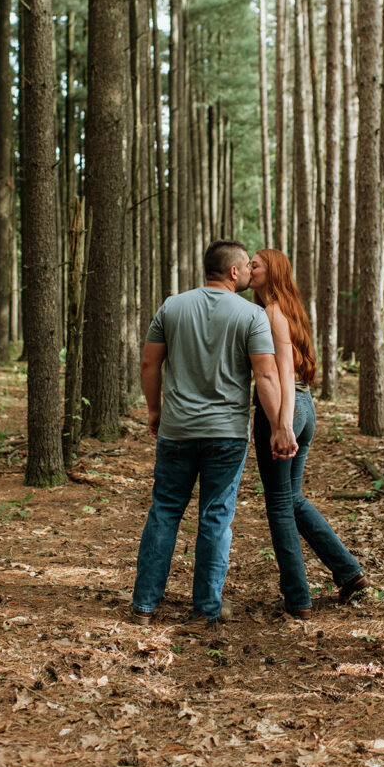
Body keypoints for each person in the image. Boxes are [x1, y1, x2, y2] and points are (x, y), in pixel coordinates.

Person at [133, 239, 290, 625]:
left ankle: (144, 606)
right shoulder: (251, 316)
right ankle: (206, 609)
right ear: (234, 271)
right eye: (247, 268)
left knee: (165, 512)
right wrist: (278, 427)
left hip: (177, 430)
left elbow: (149, 363)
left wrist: (155, 409)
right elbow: (266, 374)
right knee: (215, 517)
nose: (251, 274)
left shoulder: (172, 306)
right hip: (226, 434)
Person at [249, 248, 367, 620]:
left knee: (279, 505)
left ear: (273, 272)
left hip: (286, 408)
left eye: (256, 264)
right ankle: (349, 573)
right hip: (304, 405)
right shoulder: (287, 310)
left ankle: (297, 599)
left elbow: (282, 372)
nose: (250, 269)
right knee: (293, 498)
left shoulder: (271, 312)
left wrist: (281, 425)